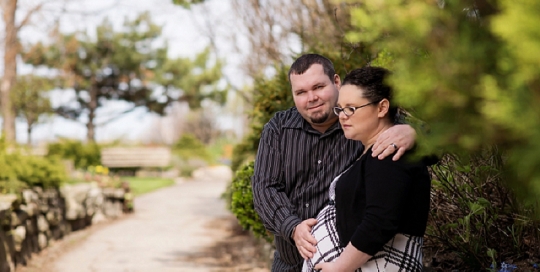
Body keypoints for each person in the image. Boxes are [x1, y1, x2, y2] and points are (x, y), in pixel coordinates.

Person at [251, 54, 418, 272]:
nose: (311, 98)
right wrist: (293, 228)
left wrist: (413, 132)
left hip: (345, 264)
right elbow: (264, 188)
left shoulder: (361, 121)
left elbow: (436, 140)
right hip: (288, 263)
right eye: (301, 92)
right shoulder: (279, 128)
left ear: (336, 82)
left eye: (318, 87)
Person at [303, 66, 431, 272]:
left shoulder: (391, 153)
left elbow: (379, 223)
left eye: (351, 108)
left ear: (382, 108)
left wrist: (339, 267)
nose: (343, 116)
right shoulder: (372, 151)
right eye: (340, 108)